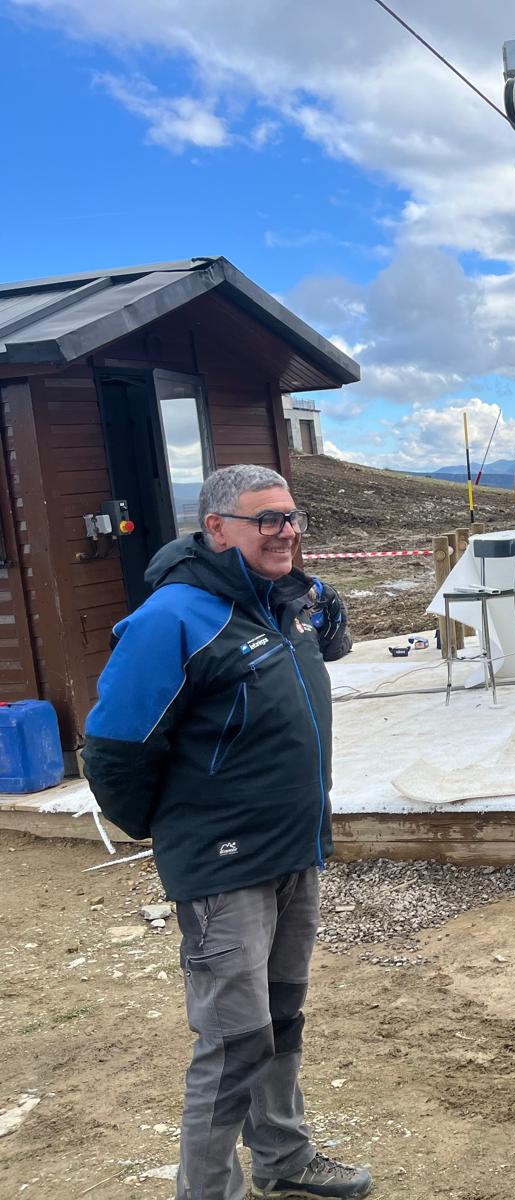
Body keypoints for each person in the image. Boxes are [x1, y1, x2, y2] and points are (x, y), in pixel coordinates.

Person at [82, 464, 372, 1200]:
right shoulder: (173, 619)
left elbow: (331, 648)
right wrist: (172, 829)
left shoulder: (284, 602)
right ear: (216, 530)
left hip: (293, 849)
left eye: (291, 516)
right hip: (223, 867)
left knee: (279, 1018)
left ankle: (284, 1159)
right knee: (233, 1044)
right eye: (266, 519)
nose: (286, 530)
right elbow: (114, 750)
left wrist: (318, 605)